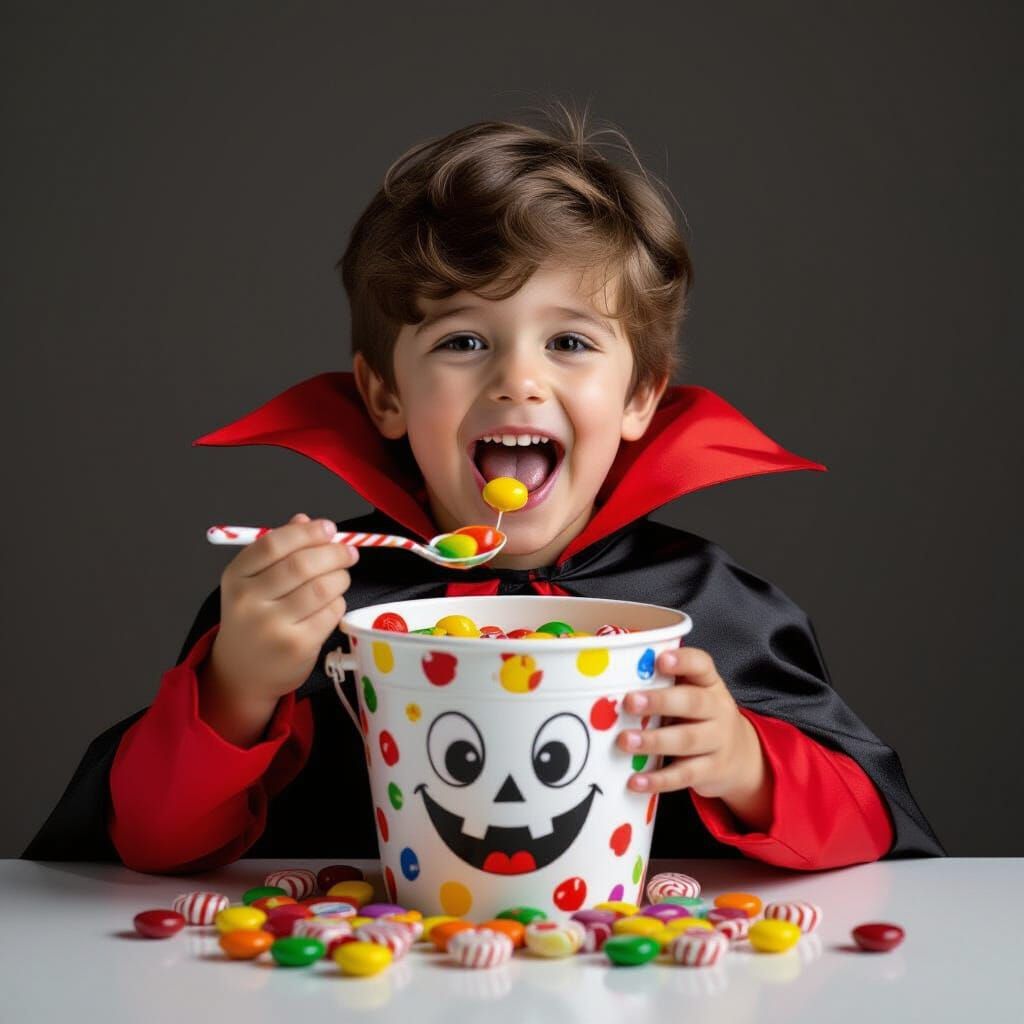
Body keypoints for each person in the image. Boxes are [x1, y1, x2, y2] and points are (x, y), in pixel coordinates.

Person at [23, 105, 943, 875]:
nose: (519, 381)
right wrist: (234, 689)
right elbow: (143, 839)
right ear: (384, 393)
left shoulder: (714, 608)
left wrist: (745, 761)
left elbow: (871, 823)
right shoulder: (317, 606)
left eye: (571, 342)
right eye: (464, 341)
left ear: (640, 396)